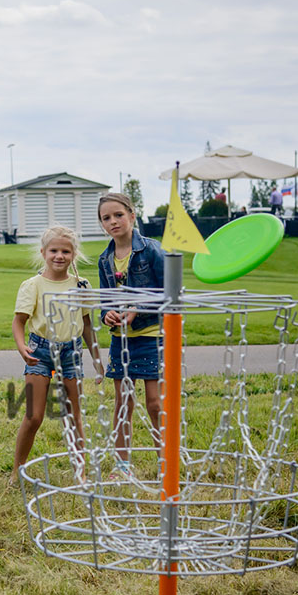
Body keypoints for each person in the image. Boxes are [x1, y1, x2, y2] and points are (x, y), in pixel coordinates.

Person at [11, 226, 102, 485]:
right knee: (34, 416)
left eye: (66, 251)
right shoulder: (33, 285)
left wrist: (97, 360)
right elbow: (19, 322)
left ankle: (80, 474)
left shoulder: (81, 285)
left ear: (74, 254)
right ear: (43, 252)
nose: (59, 256)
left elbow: (86, 324)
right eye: (54, 250)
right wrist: (21, 347)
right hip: (40, 351)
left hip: (71, 351)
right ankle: (17, 471)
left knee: (74, 415)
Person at [97, 192, 165, 472]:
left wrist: (137, 307)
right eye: (106, 218)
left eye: (118, 215)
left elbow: (169, 294)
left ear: (132, 215)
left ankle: (166, 461)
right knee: (123, 402)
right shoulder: (105, 259)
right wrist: (107, 316)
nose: (113, 221)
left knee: (154, 403)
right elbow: (105, 302)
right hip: (120, 341)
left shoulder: (151, 250)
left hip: (151, 336)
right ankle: (122, 465)